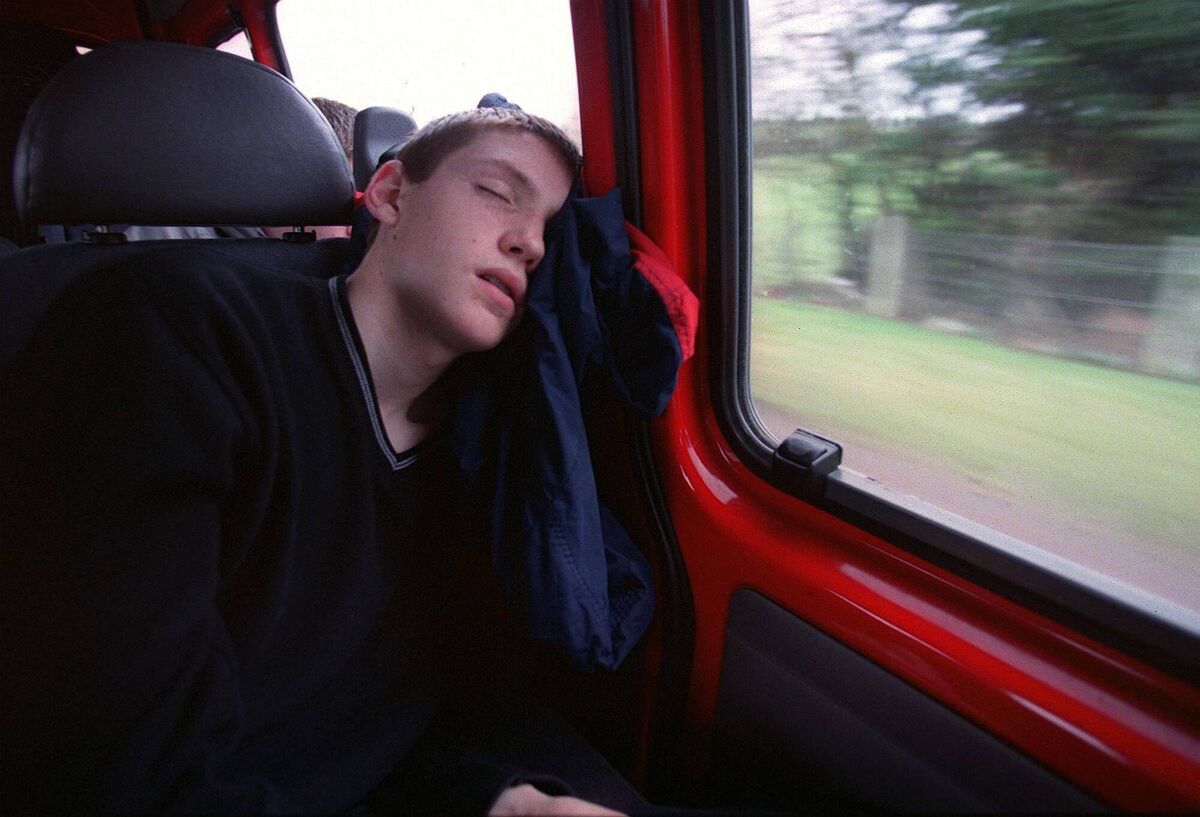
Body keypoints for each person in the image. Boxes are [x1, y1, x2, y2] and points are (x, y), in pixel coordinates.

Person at [0, 105, 650, 815]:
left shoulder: (489, 455)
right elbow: (118, 766)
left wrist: (508, 801)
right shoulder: (172, 335)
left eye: (551, 232)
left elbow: (377, 734)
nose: (529, 243)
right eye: (499, 192)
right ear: (392, 193)